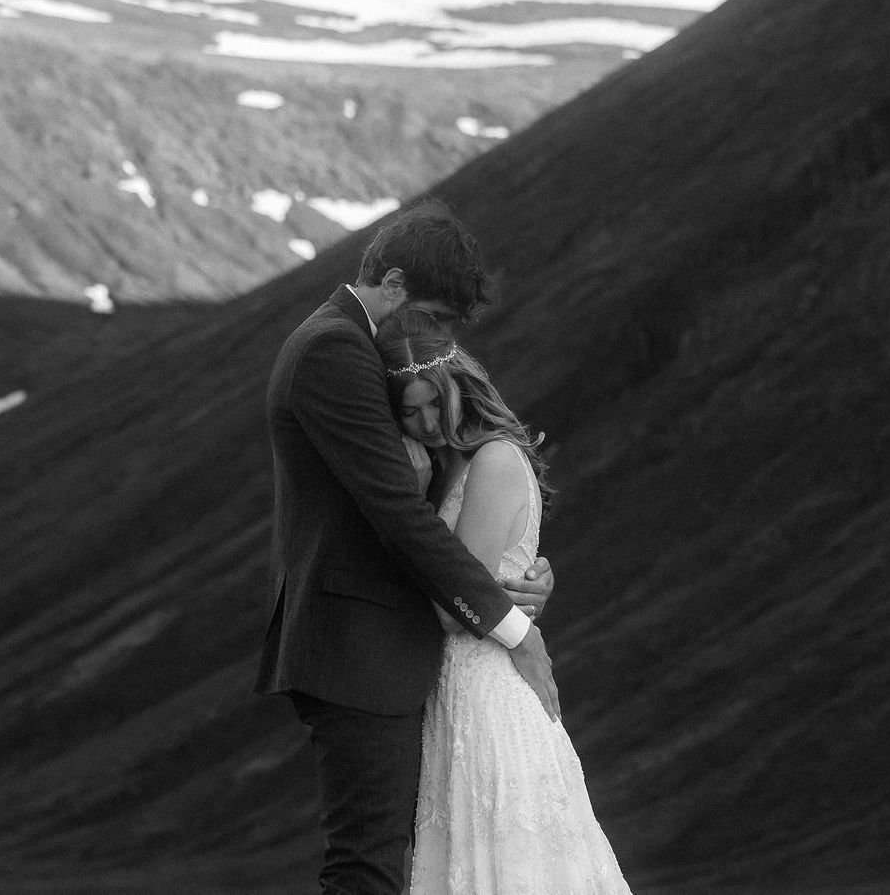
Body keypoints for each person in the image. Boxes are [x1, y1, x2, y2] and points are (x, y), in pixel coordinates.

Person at [254, 199, 558, 894]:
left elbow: (429, 496)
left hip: (374, 647)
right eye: (437, 317)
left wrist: (517, 572)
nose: (439, 340)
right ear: (392, 284)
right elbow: (397, 511)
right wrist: (515, 628)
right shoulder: (334, 350)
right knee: (367, 865)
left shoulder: (351, 346)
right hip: (357, 647)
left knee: (388, 860)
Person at [377, 306, 634, 895]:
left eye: (435, 403)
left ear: (458, 384)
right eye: (410, 412)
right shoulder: (443, 468)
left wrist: (412, 501)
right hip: (451, 695)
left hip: (490, 696)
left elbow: (451, 608)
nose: (427, 422)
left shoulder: (492, 460)